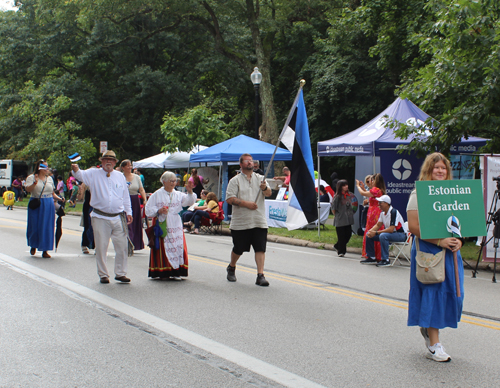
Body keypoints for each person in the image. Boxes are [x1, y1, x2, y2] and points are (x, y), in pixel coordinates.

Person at [407, 152, 464, 362]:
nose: (440, 171)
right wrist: (439, 241)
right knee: (434, 293)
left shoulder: (453, 194)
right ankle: (434, 344)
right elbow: (414, 226)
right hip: (430, 253)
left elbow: (460, 222)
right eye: (436, 167)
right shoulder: (418, 193)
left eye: (443, 168)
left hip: (450, 253)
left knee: (454, 295)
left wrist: (459, 240)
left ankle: (429, 329)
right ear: (428, 170)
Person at [71, 150, 133, 284]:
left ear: (115, 162)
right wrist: (75, 169)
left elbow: (125, 196)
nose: (108, 162)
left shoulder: (120, 176)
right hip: (100, 216)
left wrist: (129, 212)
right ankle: (103, 274)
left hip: (118, 216)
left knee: (122, 246)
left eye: (111, 160)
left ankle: (121, 273)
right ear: (102, 161)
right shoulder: (93, 173)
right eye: (106, 160)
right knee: (101, 247)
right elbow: (80, 174)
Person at [226, 153, 272, 286]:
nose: (250, 163)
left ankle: (260, 275)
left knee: (260, 248)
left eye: (251, 161)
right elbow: (230, 199)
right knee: (239, 248)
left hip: (259, 220)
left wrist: (265, 188)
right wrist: (247, 204)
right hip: (241, 222)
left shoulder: (260, 178)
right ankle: (232, 267)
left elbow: (268, 193)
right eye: (247, 161)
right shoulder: (235, 180)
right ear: (241, 165)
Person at [145, 171, 196, 279]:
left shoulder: (177, 194)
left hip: (175, 223)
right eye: (171, 181)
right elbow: (148, 210)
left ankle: (176, 270)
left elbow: (189, 202)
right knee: (163, 247)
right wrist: (158, 210)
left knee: (177, 246)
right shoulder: (157, 194)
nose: (173, 183)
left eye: (174, 181)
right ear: (164, 182)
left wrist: (190, 192)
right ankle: (163, 271)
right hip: (163, 223)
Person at [26, 161, 65, 258]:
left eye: (47, 167)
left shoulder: (50, 179)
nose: (47, 169)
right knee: (34, 226)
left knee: (47, 227)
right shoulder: (31, 177)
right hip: (36, 203)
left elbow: (52, 193)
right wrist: (34, 182)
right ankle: (33, 245)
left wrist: (59, 199)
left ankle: (45, 250)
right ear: (39, 168)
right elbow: (28, 190)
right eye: (44, 167)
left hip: (48, 203)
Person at [361, 195, 406, 266]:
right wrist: (371, 232)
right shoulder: (382, 213)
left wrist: (376, 232)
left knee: (383, 236)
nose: (378, 204)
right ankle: (371, 257)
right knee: (368, 235)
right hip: (390, 234)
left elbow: (391, 229)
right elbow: (378, 225)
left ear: (386, 203)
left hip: (400, 235)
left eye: (380, 202)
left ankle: (385, 259)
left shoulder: (394, 212)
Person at [356, 173, 386, 261]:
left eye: (372, 180)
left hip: (374, 213)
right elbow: (368, 194)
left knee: (371, 231)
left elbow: (362, 194)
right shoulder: (378, 190)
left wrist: (358, 186)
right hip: (374, 212)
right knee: (374, 231)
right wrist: (363, 188)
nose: (371, 182)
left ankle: (371, 254)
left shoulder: (376, 190)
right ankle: (375, 253)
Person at [121, 159, 147, 251]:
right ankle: (127, 242)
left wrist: (144, 199)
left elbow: (141, 189)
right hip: (123, 200)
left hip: (134, 200)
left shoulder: (137, 177)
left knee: (135, 222)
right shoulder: (120, 177)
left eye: (130, 165)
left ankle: (135, 243)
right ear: (123, 168)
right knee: (126, 222)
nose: (129, 167)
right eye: (127, 166)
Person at [331, 180, 354, 257]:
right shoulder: (337, 197)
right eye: (344, 185)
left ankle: (337, 246)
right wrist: (337, 215)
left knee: (348, 234)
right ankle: (341, 251)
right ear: (340, 187)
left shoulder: (349, 195)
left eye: (346, 185)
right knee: (341, 236)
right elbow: (333, 208)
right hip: (340, 218)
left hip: (348, 218)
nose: (346, 186)